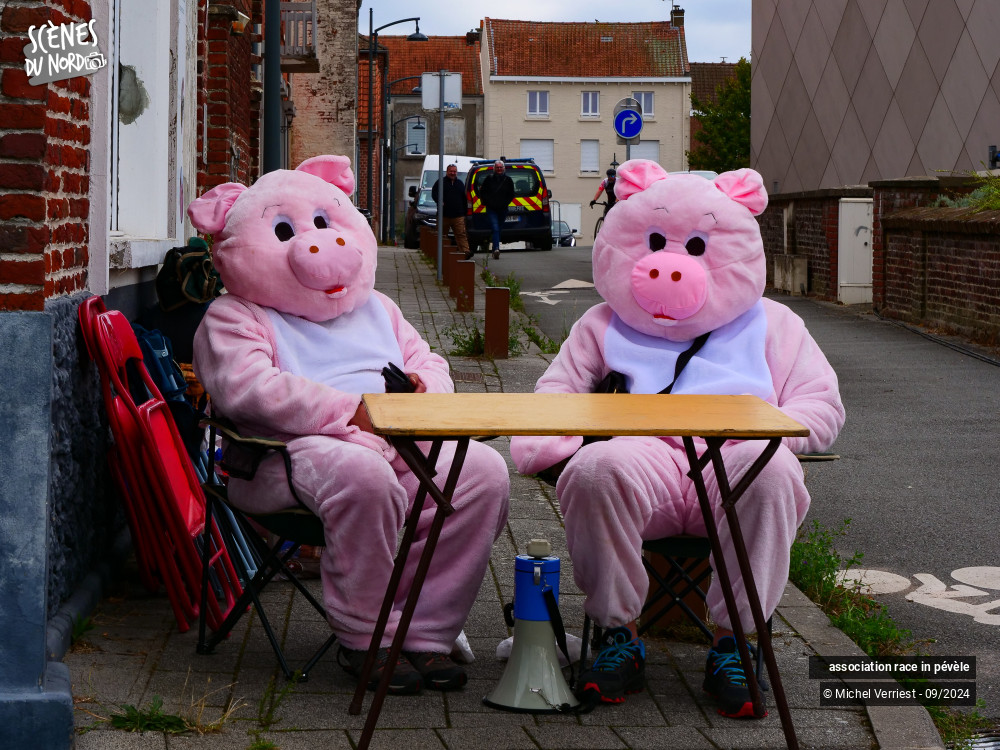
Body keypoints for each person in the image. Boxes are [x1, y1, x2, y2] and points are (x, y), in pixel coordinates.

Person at [510, 161, 844, 716]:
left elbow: (820, 405)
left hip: (732, 464)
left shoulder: (774, 324)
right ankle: (619, 633)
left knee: (775, 472)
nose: (670, 264)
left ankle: (735, 640)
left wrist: (773, 440)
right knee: (598, 470)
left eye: (693, 247)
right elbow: (556, 395)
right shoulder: (603, 323)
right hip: (646, 467)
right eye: (657, 243)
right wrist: (561, 445)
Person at [188, 155, 511, 697]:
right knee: (363, 477)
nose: (316, 244)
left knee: (481, 472)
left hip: (398, 446)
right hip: (281, 457)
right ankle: (366, 639)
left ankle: (424, 632)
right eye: (286, 231)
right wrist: (350, 412)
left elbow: (430, 362)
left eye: (322, 224)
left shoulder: (378, 308)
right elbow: (251, 389)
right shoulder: (236, 316)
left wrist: (419, 389)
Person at [431, 164, 470, 259]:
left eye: (454, 171)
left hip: (458, 215)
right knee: (442, 236)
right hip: (444, 215)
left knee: (461, 234)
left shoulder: (460, 184)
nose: (453, 173)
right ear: (447, 171)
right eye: (451, 171)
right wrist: (439, 201)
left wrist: (464, 212)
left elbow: (464, 199)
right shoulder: (440, 182)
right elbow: (434, 194)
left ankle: (465, 252)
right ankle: (440, 255)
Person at [478, 159, 515, 260]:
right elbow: (482, 192)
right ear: (494, 168)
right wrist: (487, 202)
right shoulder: (488, 179)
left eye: (500, 167)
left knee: (498, 229)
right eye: (497, 167)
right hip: (491, 209)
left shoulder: (508, 180)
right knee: (495, 228)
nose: (499, 169)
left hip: (503, 209)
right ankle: (496, 249)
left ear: (504, 168)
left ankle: (494, 248)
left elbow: (511, 194)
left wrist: (505, 203)